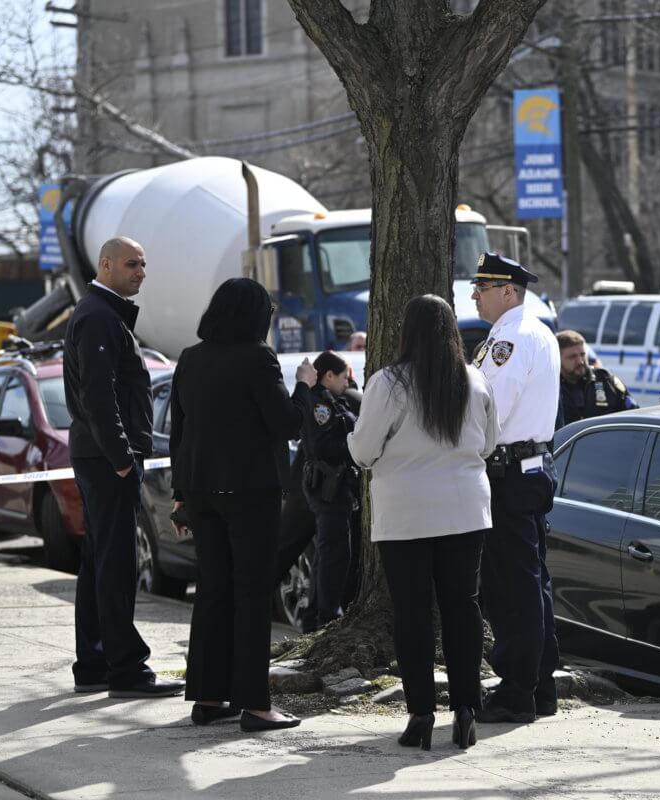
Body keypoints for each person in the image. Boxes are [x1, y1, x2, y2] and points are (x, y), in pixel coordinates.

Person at [348, 294, 497, 751]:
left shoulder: (388, 384)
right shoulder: (473, 380)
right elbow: (490, 444)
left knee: (412, 613)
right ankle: (467, 709)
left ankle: (420, 714)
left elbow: (364, 451)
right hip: (465, 508)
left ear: (405, 333)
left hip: (406, 513)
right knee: (462, 607)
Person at [169, 277, 316, 732]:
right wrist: (305, 386)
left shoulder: (190, 359)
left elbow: (179, 432)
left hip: (200, 491)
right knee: (252, 596)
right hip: (250, 492)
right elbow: (286, 423)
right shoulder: (258, 358)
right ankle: (255, 704)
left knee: (212, 592)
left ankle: (209, 697)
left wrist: (179, 497)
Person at [63, 235, 184, 699]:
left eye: (144, 264)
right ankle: (126, 669)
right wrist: (120, 459)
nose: (141, 272)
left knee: (100, 559)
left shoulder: (103, 315)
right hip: (106, 459)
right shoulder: (97, 317)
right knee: (116, 563)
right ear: (106, 264)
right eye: (132, 264)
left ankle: (94, 662)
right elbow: (98, 396)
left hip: (100, 457)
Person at [469, 252, 561, 724]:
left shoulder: (508, 338)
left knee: (511, 588)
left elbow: (488, 409)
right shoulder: (538, 330)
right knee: (532, 583)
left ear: (508, 291)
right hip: (529, 468)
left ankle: (516, 691)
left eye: (481, 288)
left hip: (507, 472)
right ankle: (539, 686)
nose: (474, 296)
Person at [293, 350, 359, 627]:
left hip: (333, 485)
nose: (348, 382)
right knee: (334, 553)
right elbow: (323, 446)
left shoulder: (331, 400)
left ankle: (317, 614)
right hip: (328, 485)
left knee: (326, 552)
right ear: (329, 375)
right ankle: (328, 615)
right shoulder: (319, 404)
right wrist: (354, 445)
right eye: (344, 377)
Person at [556, 329, 637, 429]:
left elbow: (634, 415)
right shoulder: (550, 388)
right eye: (572, 357)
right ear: (557, 358)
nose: (580, 361)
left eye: (582, 355)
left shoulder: (606, 381)